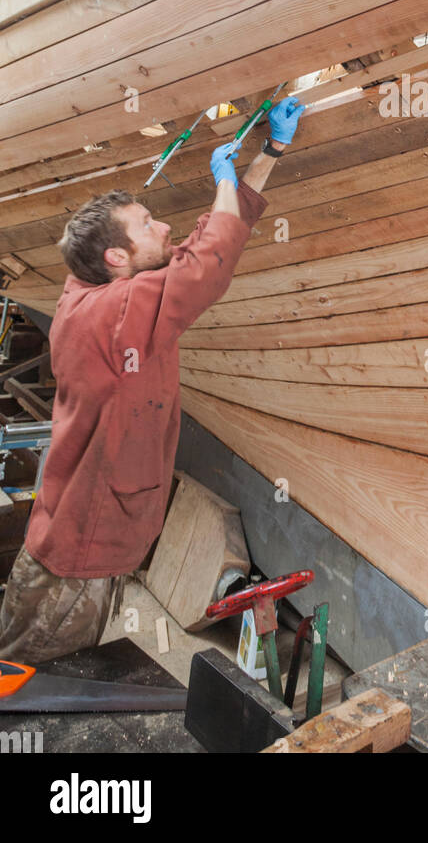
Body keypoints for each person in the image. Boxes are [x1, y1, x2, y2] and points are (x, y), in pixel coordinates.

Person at [0, 95, 304, 665]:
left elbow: (205, 248)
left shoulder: (97, 294)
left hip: (89, 545)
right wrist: (222, 179)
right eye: (148, 224)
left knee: (53, 676)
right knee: (25, 686)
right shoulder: (113, 313)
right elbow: (204, 267)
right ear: (116, 256)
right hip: (74, 560)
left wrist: (270, 153)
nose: (164, 224)